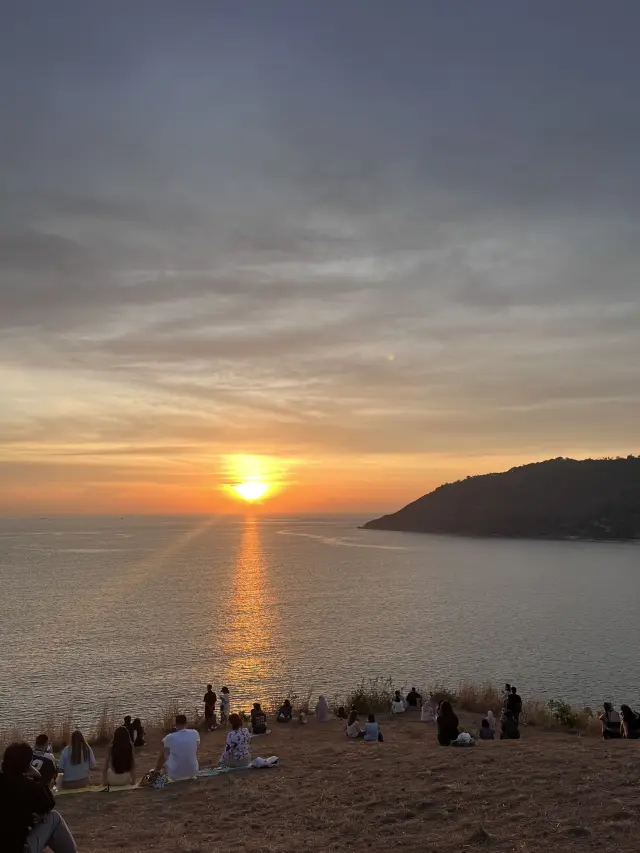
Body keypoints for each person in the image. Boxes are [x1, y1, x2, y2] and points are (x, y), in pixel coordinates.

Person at [1, 741, 78, 853]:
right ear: (27, 765)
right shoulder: (28, 787)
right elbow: (49, 804)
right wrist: (38, 778)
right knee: (54, 818)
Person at [155, 714, 200, 780]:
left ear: (175, 723)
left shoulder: (170, 737)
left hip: (175, 774)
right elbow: (197, 745)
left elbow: (162, 742)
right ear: (186, 723)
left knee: (165, 749)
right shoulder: (195, 733)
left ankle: (157, 770)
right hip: (193, 772)